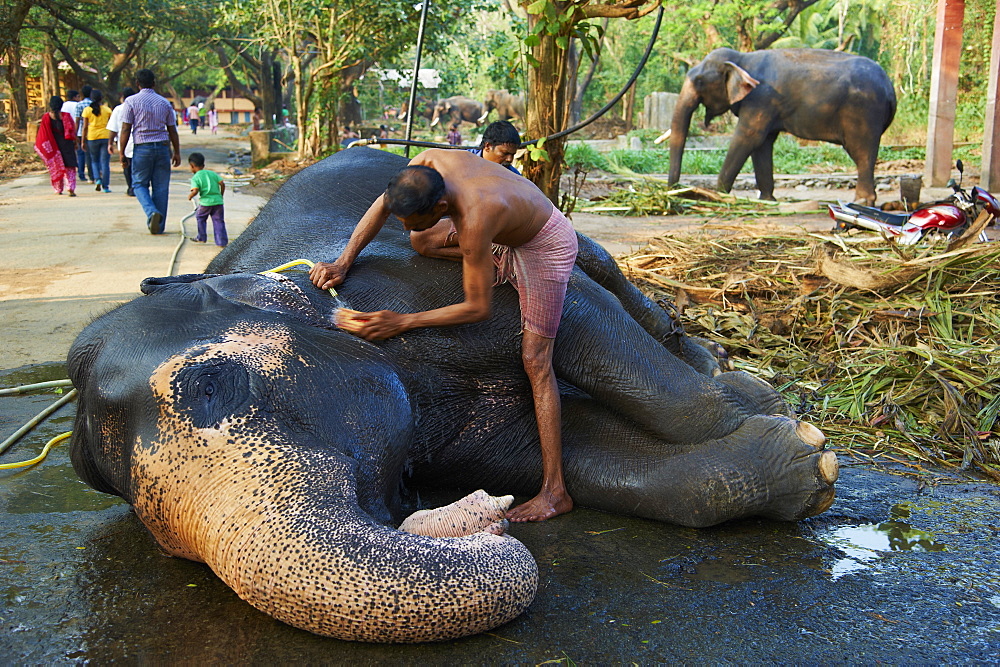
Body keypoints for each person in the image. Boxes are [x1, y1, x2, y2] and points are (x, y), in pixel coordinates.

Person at [309, 149, 578, 522]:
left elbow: (476, 308)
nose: (403, 228)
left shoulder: (476, 217)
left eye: (415, 219)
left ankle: (555, 491)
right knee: (422, 241)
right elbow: (383, 205)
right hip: (500, 220)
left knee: (535, 359)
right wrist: (343, 260)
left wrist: (401, 321)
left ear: (440, 204)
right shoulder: (427, 163)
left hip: (542, 243)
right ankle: (493, 261)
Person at [118, 68, 181, 234]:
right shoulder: (164, 103)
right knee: (161, 187)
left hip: (142, 148)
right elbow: (172, 129)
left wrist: (122, 152)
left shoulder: (130, 102)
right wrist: (177, 152)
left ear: (137, 84)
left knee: (138, 184)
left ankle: (152, 212)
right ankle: (159, 227)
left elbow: (125, 129)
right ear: (154, 83)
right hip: (162, 148)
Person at [34, 95, 78, 196]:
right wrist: (76, 143)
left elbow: (43, 133)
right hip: (67, 145)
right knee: (70, 167)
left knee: (56, 167)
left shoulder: (46, 117)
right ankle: (71, 188)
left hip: (53, 146)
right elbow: (72, 132)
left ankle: (58, 189)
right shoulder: (66, 116)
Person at [187, 152, 228, 247]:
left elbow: (196, 190)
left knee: (200, 218)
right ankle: (221, 242)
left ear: (192, 166)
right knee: (218, 221)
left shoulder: (195, 177)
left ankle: (201, 237)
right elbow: (222, 183)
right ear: (203, 165)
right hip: (218, 202)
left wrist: (191, 195)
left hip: (205, 203)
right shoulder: (212, 173)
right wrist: (220, 194)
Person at [81, 90, 113, 192]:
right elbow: (112, 125)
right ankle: (106, 186)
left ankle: (97, 179)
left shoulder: (87, 110)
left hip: (92, 137)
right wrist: (113, 141)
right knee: (105, 162)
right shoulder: (107, 110)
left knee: (94, 160)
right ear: (101, 98)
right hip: (105, 136)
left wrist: (82, 140)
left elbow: (85, 127)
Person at [107, 87, 136, 196]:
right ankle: (137, 187)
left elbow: (113, 128)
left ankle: (131, 187)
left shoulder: (118, 109)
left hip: (125, 143)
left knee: (126, 166)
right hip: (139, 142)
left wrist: (110, 143)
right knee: (137, 167)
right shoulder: (139, 108)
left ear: (122, 97)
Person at [74, 85, 94, 183]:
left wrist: (75, 133)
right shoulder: (94, 104)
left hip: (81, 132)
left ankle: (81, 174)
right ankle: (93, 175)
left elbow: (77, 121)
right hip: (92, 132)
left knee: (81, 154)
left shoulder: (79, 105)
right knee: (90, 155)